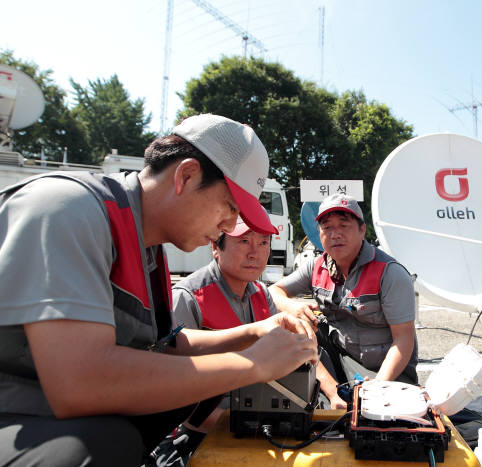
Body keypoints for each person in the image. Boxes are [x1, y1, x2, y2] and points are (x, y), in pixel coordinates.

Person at [0, 114, 318, 466]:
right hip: (19, 416)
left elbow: (168, 348)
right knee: (102, 445)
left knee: (194, 386)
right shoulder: (67, 209)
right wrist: (253, 364)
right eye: (230, 206)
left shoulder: (145, 247)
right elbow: (78, 384)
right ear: (186, 175)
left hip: (45, 416)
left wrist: (253, 332)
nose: (231, 224)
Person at [149, 215, 281, 466]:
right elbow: (170, 395)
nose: (255, 253)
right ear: (215, 247)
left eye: (264, 243)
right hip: (199, 433)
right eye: (244, 241)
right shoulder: (187, 298)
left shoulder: (263, 294)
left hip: (254, 421)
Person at [269, 193, 418, 388]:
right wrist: (294, 308)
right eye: (327, 227)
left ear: (362, 230)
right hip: (341, 360)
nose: (335, 234)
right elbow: (272, 291)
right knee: (292, 323)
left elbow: (403, 339)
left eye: (344, 225)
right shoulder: (316, 266)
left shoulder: (389, 273)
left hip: (386, 370)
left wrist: (378, 386)